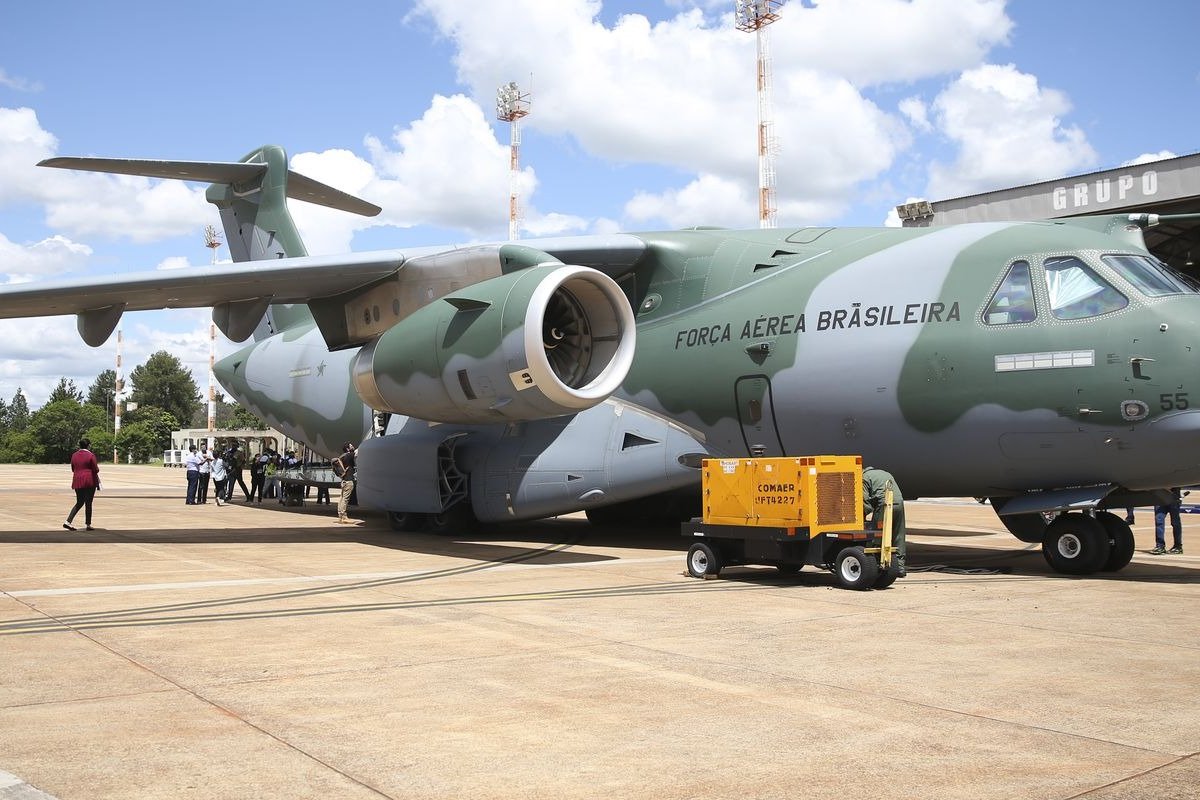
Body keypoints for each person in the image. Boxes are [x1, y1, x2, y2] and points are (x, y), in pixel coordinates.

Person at [862, 466, 906, 577]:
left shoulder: (864, 477)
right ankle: (900, 567)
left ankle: (877, 564)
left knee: (877, 535)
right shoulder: (885, 472)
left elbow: (865, 502)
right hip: (899, 504)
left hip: (884, 505)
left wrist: (862, 518)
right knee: (898, 535)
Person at [63, 437, 100, 531]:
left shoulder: (74, 455)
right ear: (88, 445)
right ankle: (88, 524)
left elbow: (72, 468)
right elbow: (96, 469)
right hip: (89, 481)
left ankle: (68, 522)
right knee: (89, 502)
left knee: (79, 502)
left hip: (77, 480)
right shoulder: (91, 455)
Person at [1152, 488, 1184, 555]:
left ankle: (1178, 546)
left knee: (1175, 523)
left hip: (1173, 496)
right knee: (1159, 520)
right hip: (1160, 497)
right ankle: (1160, 546)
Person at [335, 441, 357, 524]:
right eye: (351, 445)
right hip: (348, 480)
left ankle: (340, 516)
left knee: (342, 498)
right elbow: (358, 451)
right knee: (345, 499)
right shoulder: (350, 455)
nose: (353, 446)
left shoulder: (342, 457)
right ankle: (344, 517)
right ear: (348, 448)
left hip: (343, 480)